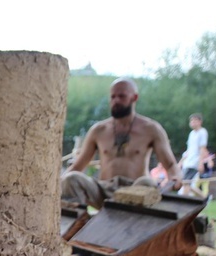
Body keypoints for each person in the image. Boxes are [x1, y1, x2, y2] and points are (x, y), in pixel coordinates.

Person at [61, 77, 182, 209]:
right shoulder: (98, 130)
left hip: (135, 190)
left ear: (134, 98)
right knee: (71, 179)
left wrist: (175, 177)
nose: (116, 100)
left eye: (121, 96)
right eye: (113, 97)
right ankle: (82, 224)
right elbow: (77, 166)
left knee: (147, 182)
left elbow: (170, 165)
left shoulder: (151, 129)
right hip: (103, 190)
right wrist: (57, 183)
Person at [177, 113, 210, 194]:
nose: (192, 122)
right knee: (186, 183)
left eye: (194, 120)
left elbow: (202, 148)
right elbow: (189, 150)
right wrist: (181, 162)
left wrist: (200, 163)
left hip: (194, 162)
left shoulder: (202, 132)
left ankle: (184, 203)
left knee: (186, 183)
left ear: (200, 121)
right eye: (191, 120)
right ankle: (205, 198)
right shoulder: (191, 133)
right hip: (188, 162)